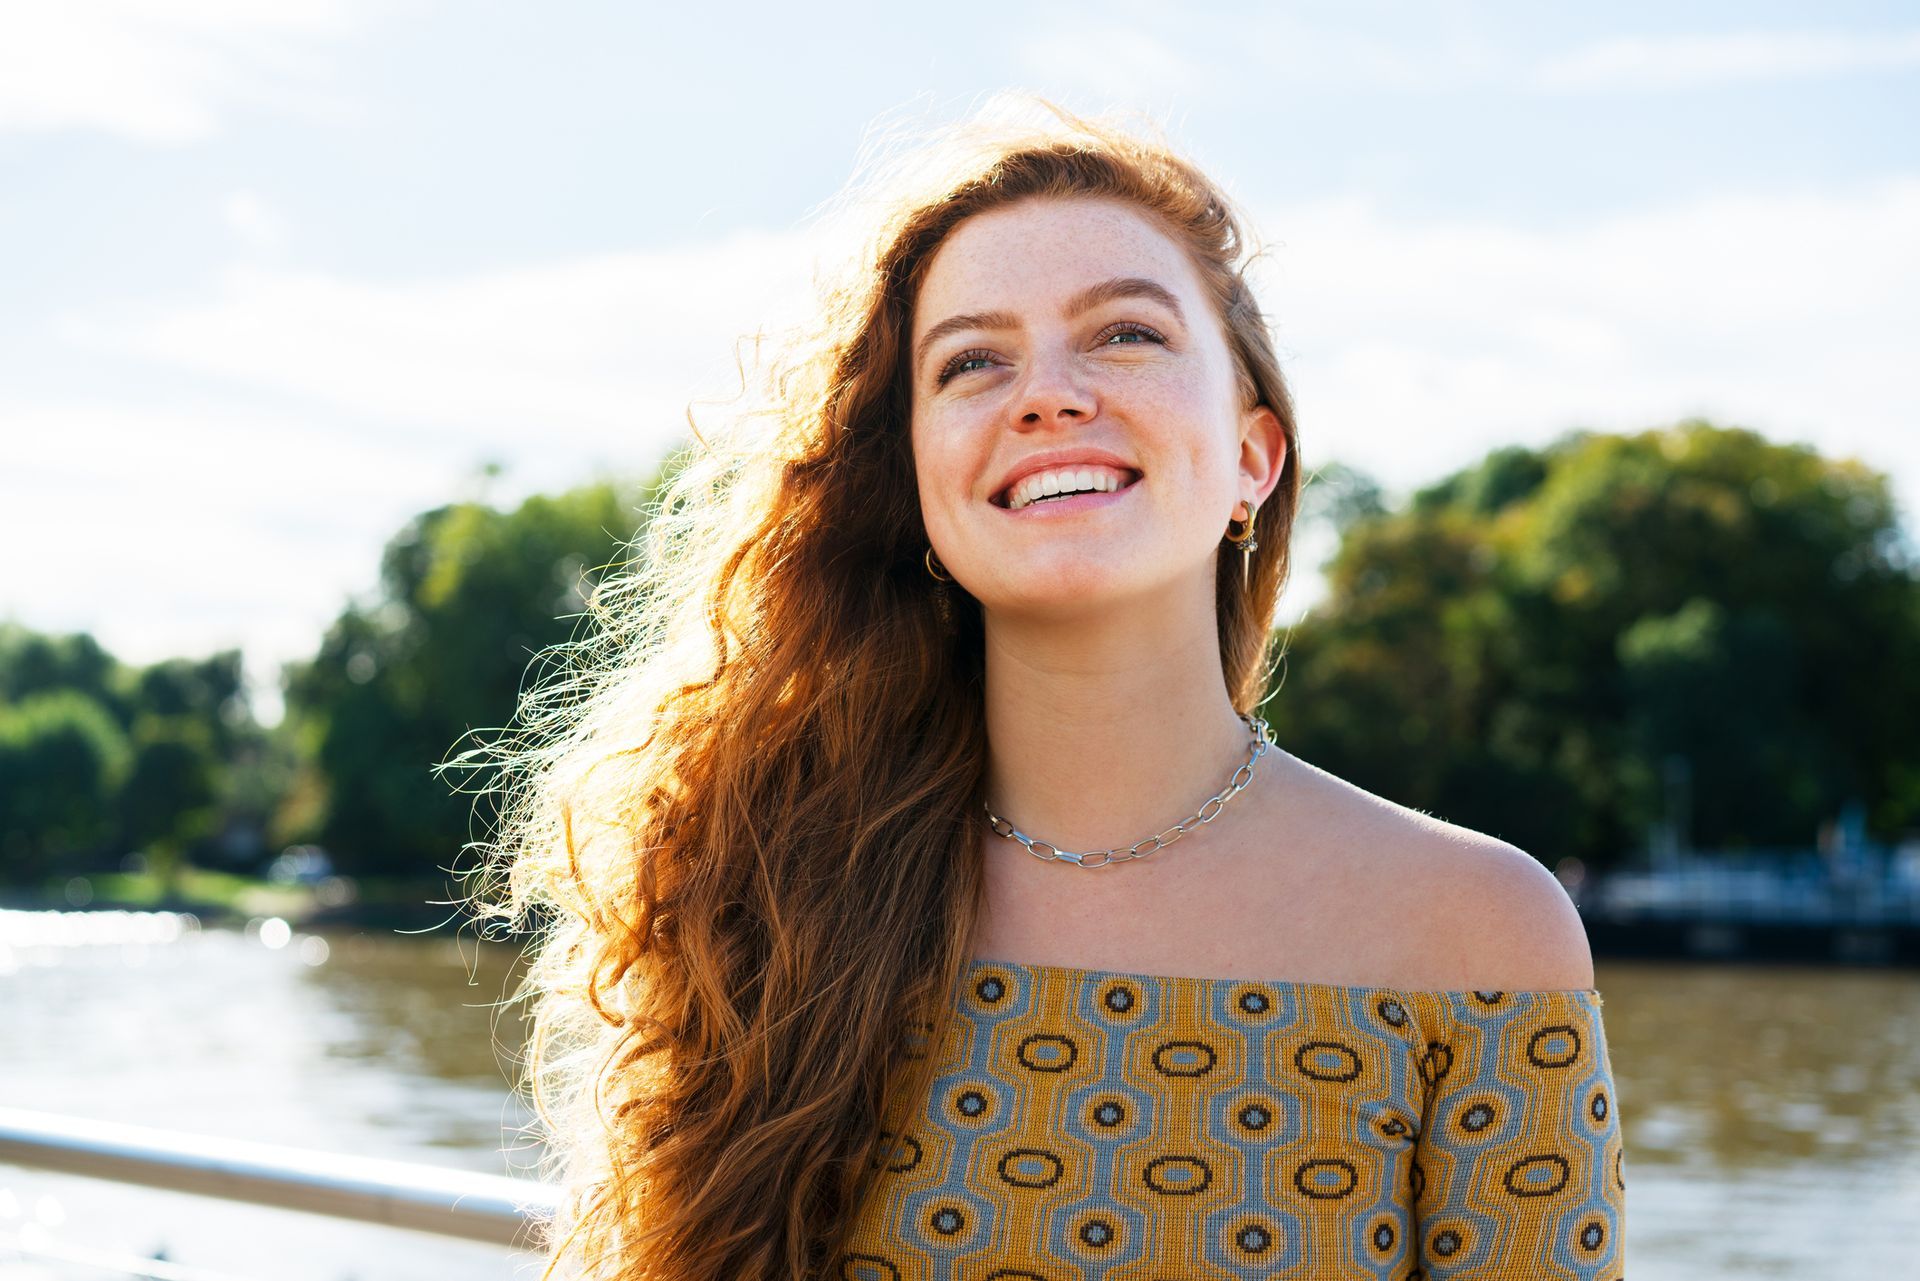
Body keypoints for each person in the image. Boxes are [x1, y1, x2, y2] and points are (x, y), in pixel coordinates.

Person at [469, 95, 1625, 1281]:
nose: (1048, 394)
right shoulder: (763, 885)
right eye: (972, 360)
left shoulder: (1482, 932)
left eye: (1125, 334)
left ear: (1252, 456)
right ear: (912, 473)